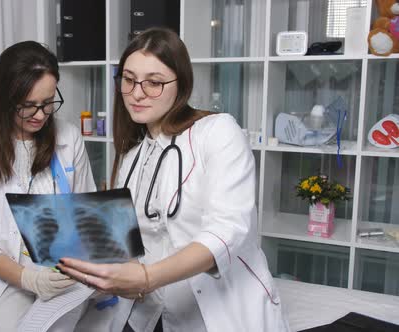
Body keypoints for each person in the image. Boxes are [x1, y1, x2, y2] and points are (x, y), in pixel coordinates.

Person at [57, 28, 291, 331]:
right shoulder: (132, 155)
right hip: (149, 309)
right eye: (128, 80)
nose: (137, 93)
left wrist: (147, 277)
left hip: (217, 311)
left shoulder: (218, 131)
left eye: (154, 82)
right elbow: (130, 242)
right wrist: (97, 270)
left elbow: (227, 231)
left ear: (181, 84)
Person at [0, 41, 122, 332]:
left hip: (64, 270)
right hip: (8, 278)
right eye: (28, 106)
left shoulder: (68, 137)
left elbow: (85, 209)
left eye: (48, 103)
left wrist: (96, 269)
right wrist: (29, 279)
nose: (41, 115)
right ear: (4, 99)